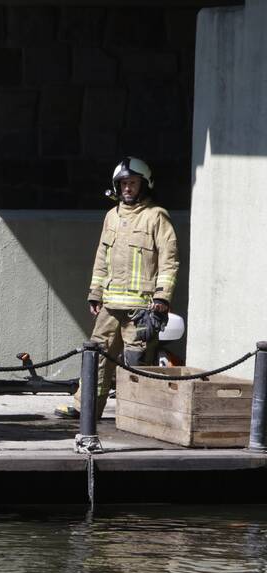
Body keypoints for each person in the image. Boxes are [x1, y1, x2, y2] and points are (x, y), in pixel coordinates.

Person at [55, 157, 178, 420]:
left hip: (141, 309)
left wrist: (162, 298)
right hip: (110, 306)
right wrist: (95, 294)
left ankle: (138, 416)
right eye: (123, 184)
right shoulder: (111, 216)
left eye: (132, 183)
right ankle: (85, 408)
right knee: (96, 357)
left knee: (137, 364)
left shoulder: (156, 216)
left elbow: (169, 261)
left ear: (144, 185)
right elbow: (102, 259)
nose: (127, 189)